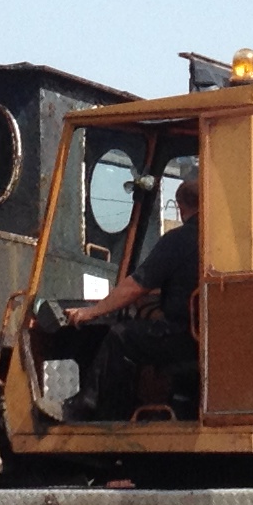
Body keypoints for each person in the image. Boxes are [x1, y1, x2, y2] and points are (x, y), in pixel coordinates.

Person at [91, 176, 202, 416]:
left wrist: (92, 311)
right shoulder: (221, 242)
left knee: (120, 336)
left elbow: (136, 286)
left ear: (181, 207)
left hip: (183, 338)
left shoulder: (178, 240)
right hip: (210, 339)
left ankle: (102, 411)